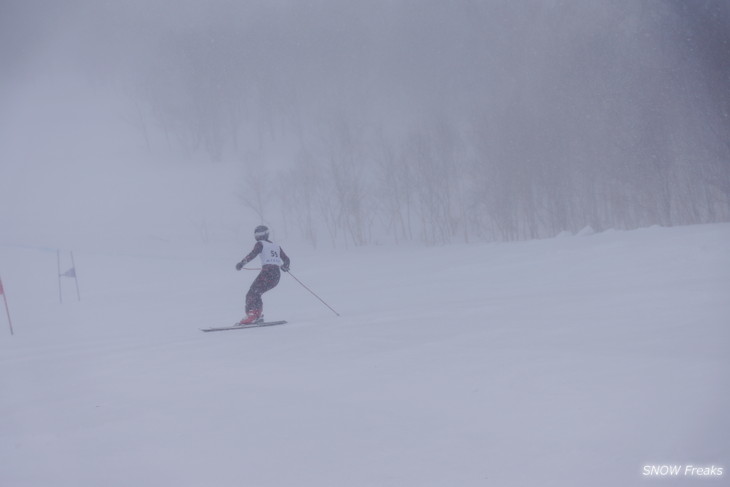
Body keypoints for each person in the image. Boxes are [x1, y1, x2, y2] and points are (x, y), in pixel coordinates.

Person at [235, 225, 290, 324]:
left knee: (252, 293)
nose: (258, 236)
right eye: (256, 234)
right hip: (276, 275)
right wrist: (285, 266)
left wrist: (242, 263)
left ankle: (253, 316)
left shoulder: (260, 244)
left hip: (267, 273)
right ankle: (257, 315)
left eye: (259, 233)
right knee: (256, 293)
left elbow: (252, 254)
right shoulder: (276, 246)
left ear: (265, 234)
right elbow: (287, 259)